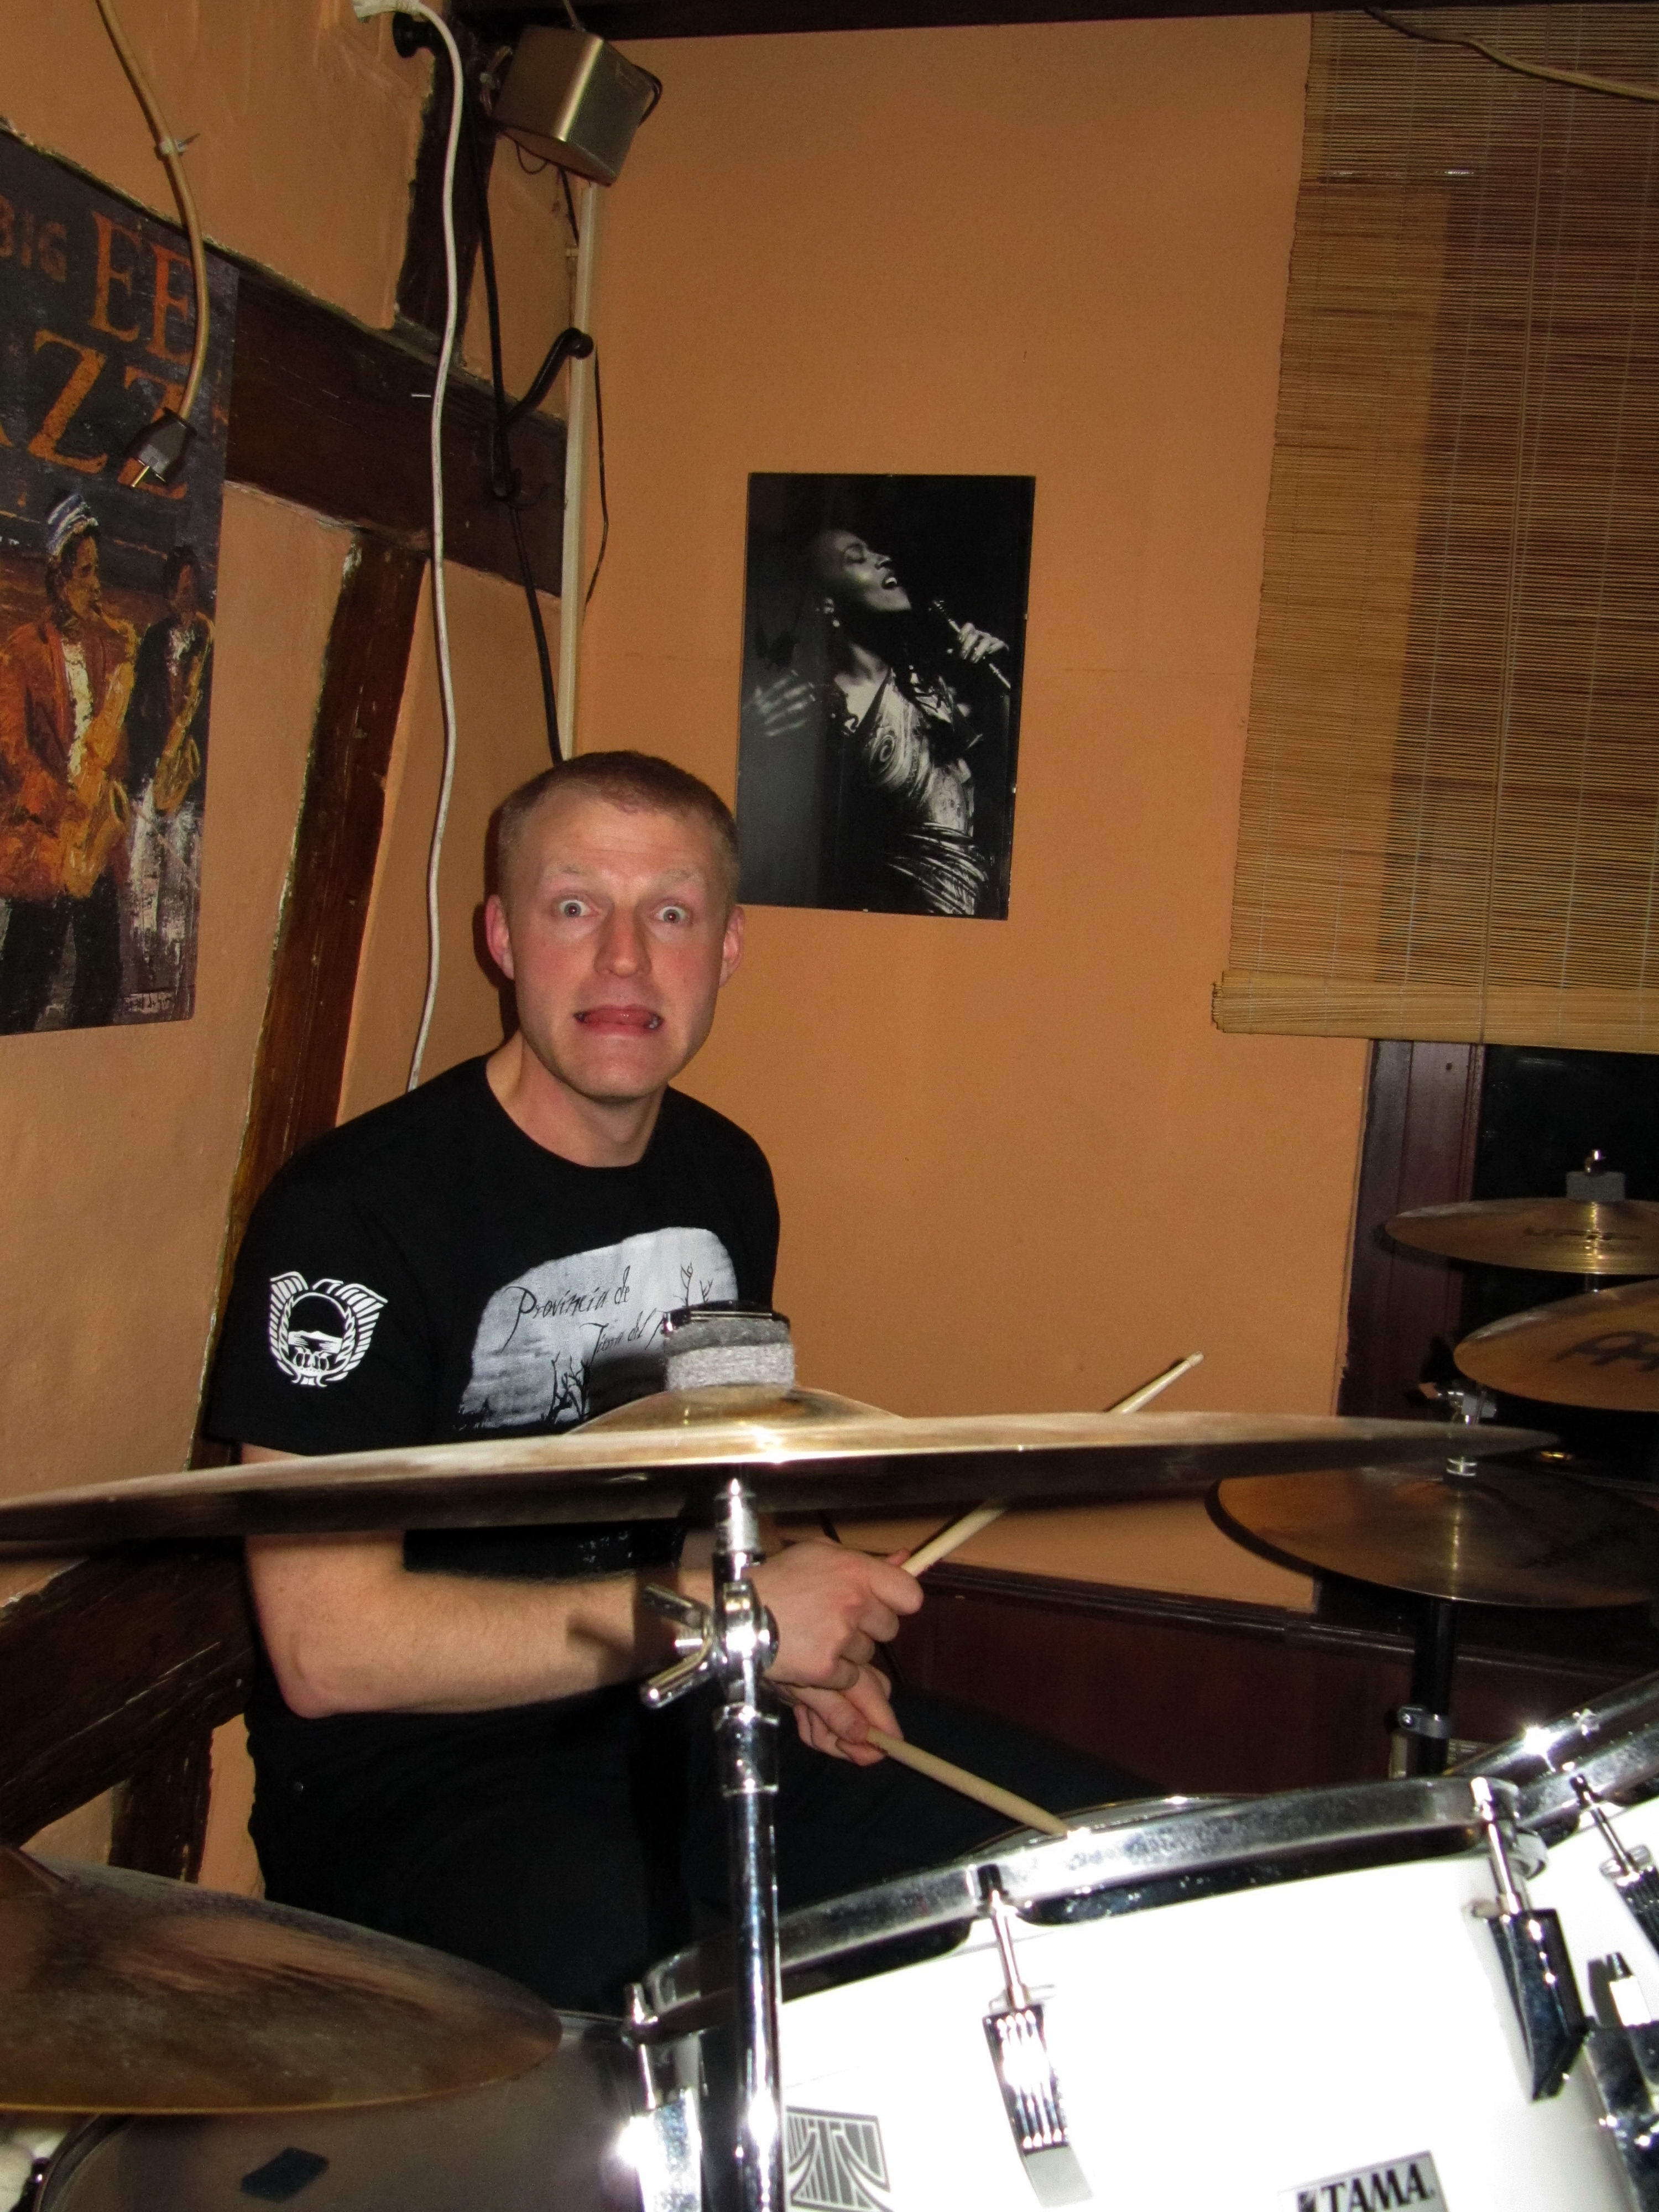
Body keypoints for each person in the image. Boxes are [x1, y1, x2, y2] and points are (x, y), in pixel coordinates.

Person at [207, 751, 1140, 2010]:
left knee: (1108, 1866)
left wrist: (798, 1655)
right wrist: (735, 1622)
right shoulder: (352, 1215)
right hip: (418, 1784)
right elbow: (328, 1649)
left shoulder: (724, 1176)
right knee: (709, 2023)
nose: (624, 961)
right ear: (501, 937)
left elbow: (712, 1490)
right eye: (574, 906)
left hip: (687, 1714)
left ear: (727, 948)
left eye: (671, 913)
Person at [742, 529, 1013, 918]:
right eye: (857, 558)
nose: (882, 558)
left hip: (988, 913)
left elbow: (1014, 778)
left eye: (874, 551)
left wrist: (1001, 685)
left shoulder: (935, 681)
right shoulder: (815, 710)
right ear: (826, 604)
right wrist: (752, 742)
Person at [0, 495, 138, 1033]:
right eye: (86, 573)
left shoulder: (106, 650)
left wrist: (111, 774)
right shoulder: (23, 648)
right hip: (50, 838)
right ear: (59, 580)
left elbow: (114, 747)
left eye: (97, 572)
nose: (97, 587)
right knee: (23, 984)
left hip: (94, 837)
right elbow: (12, 752)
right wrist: (64, 805)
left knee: (103, 975)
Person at [123, 545, 211, 1001]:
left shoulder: (209, 644)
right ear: (168, 593)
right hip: (152, 773)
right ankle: (142, 965)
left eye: (192, 588)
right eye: (180, 589)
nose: (187, 597)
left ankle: (173, 971)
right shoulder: (154, 641)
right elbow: (136, 711)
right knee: (143, 873)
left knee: (179, 879)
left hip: (187, 783)